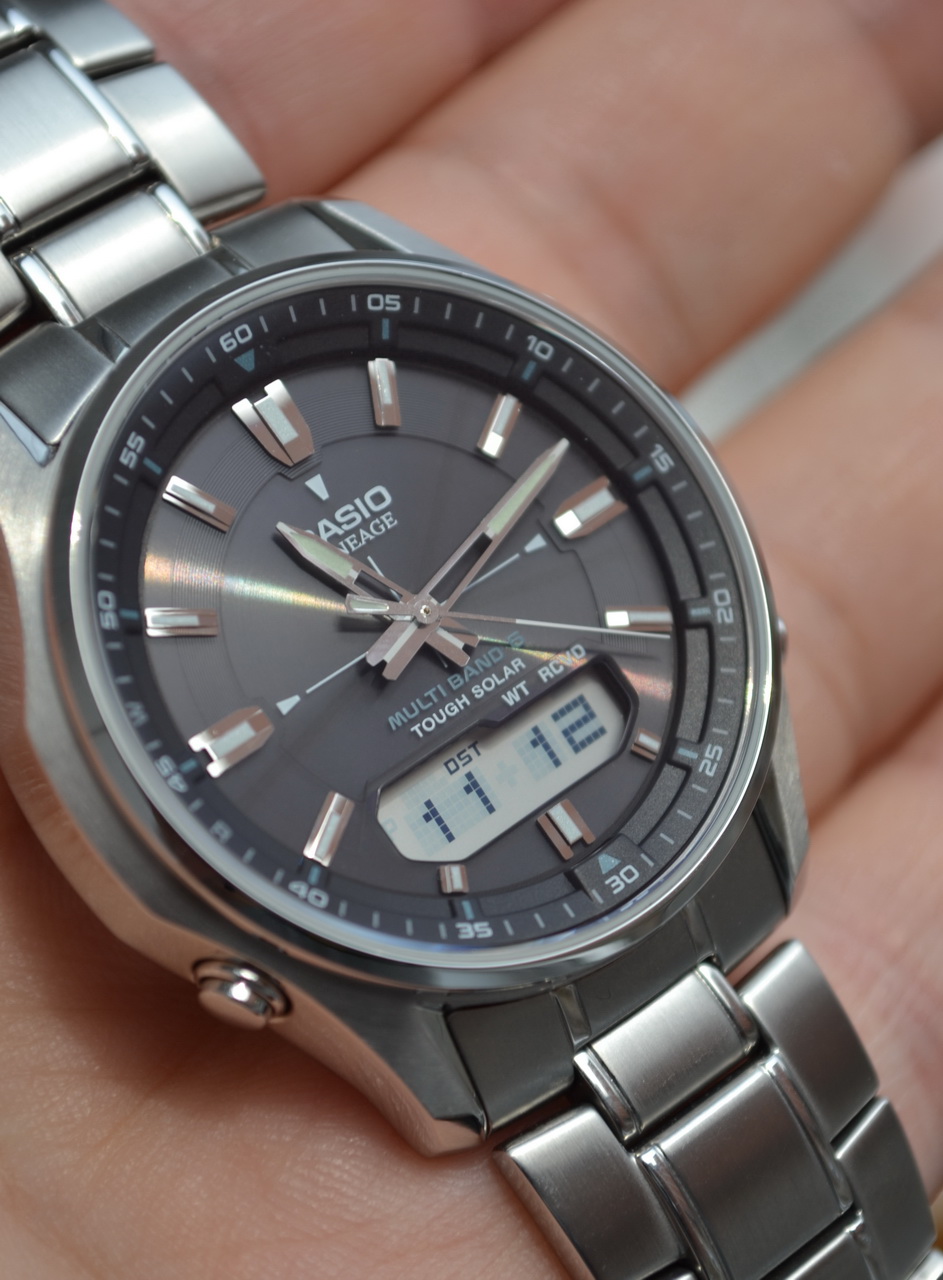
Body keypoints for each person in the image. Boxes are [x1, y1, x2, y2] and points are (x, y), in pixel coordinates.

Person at [1, 0, 941, 1274]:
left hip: (687, 845)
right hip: (451, 987)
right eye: (401, 621)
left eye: (421, 609)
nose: (418, 621)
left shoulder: (335, 262)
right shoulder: (35, 465)